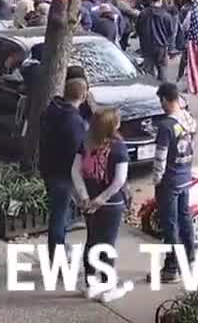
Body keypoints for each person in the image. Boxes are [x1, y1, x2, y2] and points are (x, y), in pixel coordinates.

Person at [72, 106, 128, 300]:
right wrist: (101, 200)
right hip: (111, 204)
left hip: (88, 202)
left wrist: (85, 197)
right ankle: (109, 286)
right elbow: (119, 180)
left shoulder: (85, 144)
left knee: (92, 240)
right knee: (107, 245)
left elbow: (75, 171)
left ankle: (90, 283)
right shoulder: (119, 148)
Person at [151, 83, 196, 283]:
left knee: (169, 225)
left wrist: (157, 180)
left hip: (169, 180)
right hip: (185, 176)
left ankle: (172, 267)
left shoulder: (166, 126)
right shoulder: (190, 120)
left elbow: (160, 157)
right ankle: (189, 256)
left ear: (165, 100)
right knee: (185, 218)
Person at [41, 76, 89, 260]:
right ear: (83, 96)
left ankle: (58, 249)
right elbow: (77, 151)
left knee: (61, 213)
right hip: (63, 174)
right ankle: (57, 256)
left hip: (49, 168)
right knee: (59, 217)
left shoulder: (52, 111)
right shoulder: (73, 121)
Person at [136, 0, 176, 82]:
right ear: (160, 1)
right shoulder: (166, 16)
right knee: (162, 68)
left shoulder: (143, 13)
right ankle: (163, 88)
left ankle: (150, 87)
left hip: (147, 45)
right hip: (161, 46)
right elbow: (171, 33)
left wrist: (142, 39)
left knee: (148, 69)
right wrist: (171, 48)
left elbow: (138, 29)